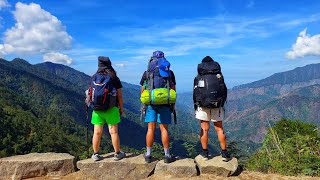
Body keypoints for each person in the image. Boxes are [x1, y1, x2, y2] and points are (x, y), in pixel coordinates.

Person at [86, 56, 125, 161]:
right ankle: (117, 153)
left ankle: (95, 154)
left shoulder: (94, 77)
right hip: (111, 109)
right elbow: (119, 95)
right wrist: (121, 108)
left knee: (97, 132)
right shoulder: (113, 78)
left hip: (97, 109)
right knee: (113, 132)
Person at [140, 51, 176, 163]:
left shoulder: (147, 73)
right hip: (165, 103)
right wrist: (172, 104)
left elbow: (142, 90)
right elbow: (173, 89)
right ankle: (167, 155)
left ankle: (148, 155)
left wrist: (144, 102)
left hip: (151, 103)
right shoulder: (169, 72)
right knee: (164, 129)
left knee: (150, 129)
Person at [193, 56, 231, 162]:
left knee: (204, 129)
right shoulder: (219, 76)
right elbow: (224, 90)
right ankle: (224, 153)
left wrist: (196, 105)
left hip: (203, 105)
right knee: (219, 129)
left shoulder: (199, 76)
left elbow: (195, 93)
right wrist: (222, 103)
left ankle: (205, 153)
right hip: (217, 105)